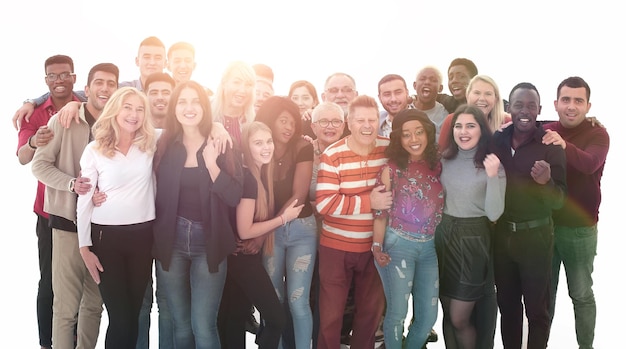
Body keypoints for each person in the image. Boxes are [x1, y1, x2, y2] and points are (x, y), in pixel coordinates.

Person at [31, 62, 120, 349]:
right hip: (67, 226)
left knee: (94, 306)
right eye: (99, 83)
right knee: (66, 308)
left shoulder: (121, 123)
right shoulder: (63, 120)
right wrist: (71, 184)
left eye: (111, 84)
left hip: (104, 230)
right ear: (87, 88)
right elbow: (39, 165)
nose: (105, 89)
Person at [152, 80, 243, 349]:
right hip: (171, 241)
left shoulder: (222, 143)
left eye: (195, 102)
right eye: (182, 102)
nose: (189, 108)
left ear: (204, 107)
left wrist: (212, 165)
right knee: (180, 325)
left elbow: (234, 196)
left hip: (209, 242)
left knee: (203, 326)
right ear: (174, 108)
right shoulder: (163, 144)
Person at [76, 87, 156, 348]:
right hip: (106, 239)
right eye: (128, 107)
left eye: (140, 109)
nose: (134, 114)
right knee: (120, 318)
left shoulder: (151, 142)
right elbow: (85, 198)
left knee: (132, 317)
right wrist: (84, 247)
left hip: (143, 238)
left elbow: (189, 129)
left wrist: (217, 128)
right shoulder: (94, 149)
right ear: (115, 110)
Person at [491, 82, 567, 349]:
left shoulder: (550, 145)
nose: (525, 111)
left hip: (536, 238)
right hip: (502, 238)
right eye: (519, 105)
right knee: (508, 308)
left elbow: (559, 201)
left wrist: (546, 182)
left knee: (537, 311)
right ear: (509, 108)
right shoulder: (497, 140)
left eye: (531, 106)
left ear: (540, 110)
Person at [16, 54, 81, 349]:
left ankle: (77, 340)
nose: (59, 81)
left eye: (64, 75)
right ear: (46, 81)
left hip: (86, 210)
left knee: (82, 283)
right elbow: (23, 158)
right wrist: (34, 141)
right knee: (50, 281)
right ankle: (48, 343)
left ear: (74, 77)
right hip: (48, 211)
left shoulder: (85, 102)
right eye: (53, 76)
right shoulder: (34, 114)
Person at [315, 95, 390, 349]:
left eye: (372, 120)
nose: (367, 126)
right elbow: (325, 204)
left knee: (369, 315)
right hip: (336, 248)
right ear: (349, 122)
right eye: (360, 120)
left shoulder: (388, 149)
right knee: (331, 316)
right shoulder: (333, 155)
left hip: (374, 246)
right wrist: (370, 202)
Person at [219, 121, 303, 348]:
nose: (266, 147)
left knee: (233, 321)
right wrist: (284, 219)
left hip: (242, 259)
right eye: (258, 143)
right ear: (246, 146)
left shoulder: (260, 173)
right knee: (276, 319)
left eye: (268, 141)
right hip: (241, 260)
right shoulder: (248, 178)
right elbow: (245, 230)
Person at [543, 76, 610, 349]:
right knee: (543, 297)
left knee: (581, 295)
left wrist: (562, 144)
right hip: (544, 227)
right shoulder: (546, 129)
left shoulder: (597, 134)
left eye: (578, 101)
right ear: (556, 104)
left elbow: (590, 163)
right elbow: (518, 123)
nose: (571, 106)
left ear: (588, 105)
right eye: (566, 100)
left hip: (580, 231)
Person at [372, 109, 444, 349]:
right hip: (398, 246)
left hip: (429, 248)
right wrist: (376, 246)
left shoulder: (438, 165)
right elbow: (380, 213)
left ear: (428, 132)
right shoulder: (390, 169)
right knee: (397, 314)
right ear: (398, 139)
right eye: (406, 134)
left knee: (428, 317)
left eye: (419, 132)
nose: (414, 139)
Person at [436, 105, 506, 349]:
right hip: (443, 236)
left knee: (459, 317)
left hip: (473, 240)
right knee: (447, 312)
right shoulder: (443, 159)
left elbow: (495, 212)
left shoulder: (491, 164)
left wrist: (492, 175)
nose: (463, 132)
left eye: (470, 126)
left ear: (481, 130)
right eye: (458, 126)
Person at [255, 96, 317, 349]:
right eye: (283, 121)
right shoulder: (258, 145)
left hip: (301, 230)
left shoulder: (303, 146)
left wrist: (269, 226)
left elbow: (299, 195)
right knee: (273, 299)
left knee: (297, 300)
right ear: (270, 120)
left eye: (292, 122)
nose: (289, 127)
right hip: (271, 231)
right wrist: (267, 228)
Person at [11, 36, 167, 129]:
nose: (152, 62)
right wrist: (32, 102)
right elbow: (74, 93)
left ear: (166, 63)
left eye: (158, 57)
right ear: (137, 61)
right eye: (147, 57)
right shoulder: (122, 90)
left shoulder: (175, 91)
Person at [439, 75, 510, 150]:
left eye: (488, 94)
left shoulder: (507, 122)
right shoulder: (452, 120)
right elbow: (439, 155)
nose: (482, 98)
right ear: (467, 95)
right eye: (477, 93)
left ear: (496, 99)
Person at [211, 61, 257, 147]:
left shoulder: (254, 122)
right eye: (237, 82)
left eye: (248, 85)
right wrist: (211, 126)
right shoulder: (204, 113)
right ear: (224, 83)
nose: (242, 90)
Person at [302, 72, 357, 138]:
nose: (340, 95)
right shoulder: (308, 124)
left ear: (356, 96)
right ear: (323, 97)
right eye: (333, 90)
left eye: (347, 90)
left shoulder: (366, 125)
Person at [411, 66, 449, 140]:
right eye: (422, 79)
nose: (427, 82)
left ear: (440, 88)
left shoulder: (445, 117)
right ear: (415, 85)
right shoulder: (405, 109)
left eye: (433, 80)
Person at [377, 74, 411, 138]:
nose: (393, 99)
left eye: (398, 93)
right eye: (387, 94)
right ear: (379, 98)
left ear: (407, 93)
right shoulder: (374, 125)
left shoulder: (426, 124)